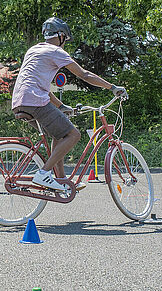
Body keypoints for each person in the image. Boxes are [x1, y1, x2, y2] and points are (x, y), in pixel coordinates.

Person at [11, 17, 128, 192]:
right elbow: (84, 75)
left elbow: (40, 87)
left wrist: (61, 106)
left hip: (20, 101)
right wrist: (112, 87)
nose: (65, 42)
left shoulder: (34, 50)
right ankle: (43, 174)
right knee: (73, 135)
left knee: (57, 136)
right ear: (60, 36)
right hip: (35, 101)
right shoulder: (56, 52)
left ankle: (60, 181)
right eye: (65, 38)